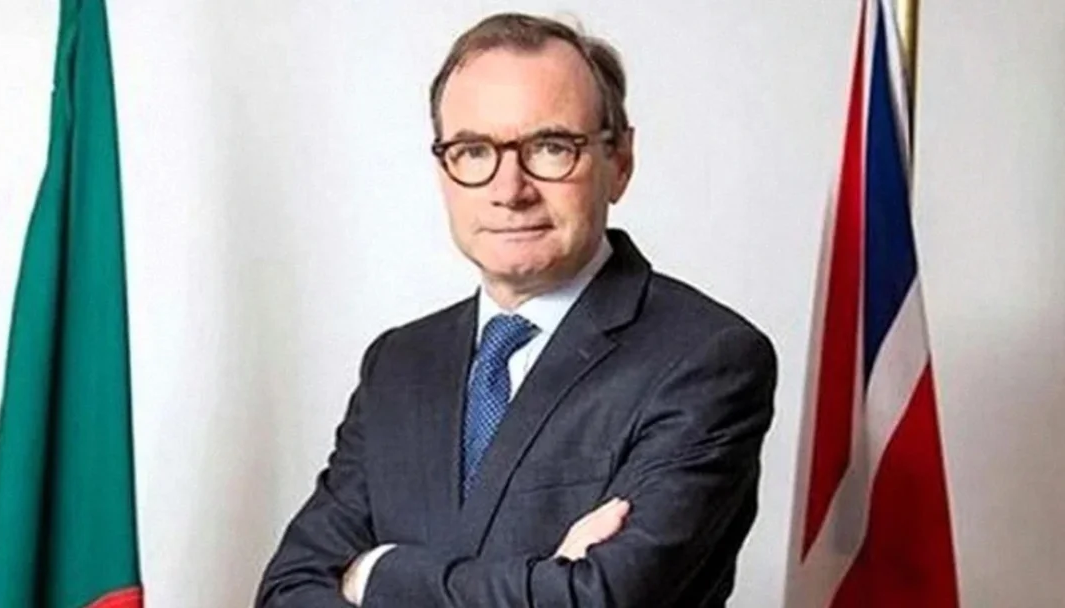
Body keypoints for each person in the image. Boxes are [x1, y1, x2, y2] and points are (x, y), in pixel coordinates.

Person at [256, 12, 777, 608]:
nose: (510, 190)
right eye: (474, 151)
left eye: (551, 148)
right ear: (443, 171)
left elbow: (600, 600)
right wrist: (543, 582)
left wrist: (374, 574)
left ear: (619, 161)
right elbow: (287, 591)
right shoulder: (399, 364)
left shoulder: (706, 359)